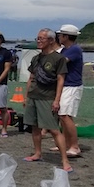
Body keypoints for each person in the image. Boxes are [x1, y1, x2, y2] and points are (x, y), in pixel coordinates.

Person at [22, 29, 73, 172]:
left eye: (42, 38)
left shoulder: (58, 58)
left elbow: (61, 80)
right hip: (33, 95)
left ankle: (65, 160)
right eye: (37, 38)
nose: (39, 41)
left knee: (54, 129)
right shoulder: (36, 58)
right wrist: (26, 96)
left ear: (51, 40)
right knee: (35, 127)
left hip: (47, 97)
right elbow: (31, 78)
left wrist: (57, 100)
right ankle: (37, 153)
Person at [54, 24, 84, 157]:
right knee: (62, 115)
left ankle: (74, 146)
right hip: (66, 85)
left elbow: (60, 63)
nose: (59, 37)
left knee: (65, 116)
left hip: (72, 86)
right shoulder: (65, 49)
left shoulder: (74, 49)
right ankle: (65, 144)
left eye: (61, 35)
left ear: (66, 36)